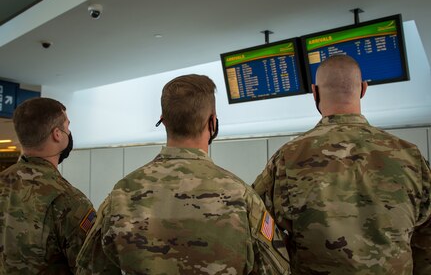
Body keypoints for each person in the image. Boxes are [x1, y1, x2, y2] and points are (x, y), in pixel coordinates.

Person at [76, 74, 291, 274]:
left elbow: (88, 268)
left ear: (164, 120)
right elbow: (277, 269)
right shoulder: (241, 195)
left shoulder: (121, 193)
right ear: (213, 122)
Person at [253, 55, 431, 275]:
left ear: (315, 92)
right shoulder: (410, 155)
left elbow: (256, 225)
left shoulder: (288, 158)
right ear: (364, 89)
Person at [0, 97, 96, 274]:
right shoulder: (68, 199)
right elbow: (93, 268)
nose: (69, 132)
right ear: (57, 134)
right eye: (67, 126)